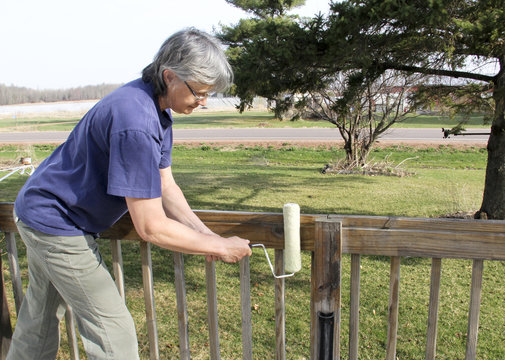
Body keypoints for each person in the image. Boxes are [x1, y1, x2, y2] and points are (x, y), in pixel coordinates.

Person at [8, 28, 252, 360]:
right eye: (200, 92)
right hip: (55, 220)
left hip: (40, 210)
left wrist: (205, 234)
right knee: (113, 332)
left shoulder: (156, 110)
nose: (204, 103)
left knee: (38, 321)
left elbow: (166, 186)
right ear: (170, 76)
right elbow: (151, 226)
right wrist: (219, 246)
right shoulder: (135, 121)